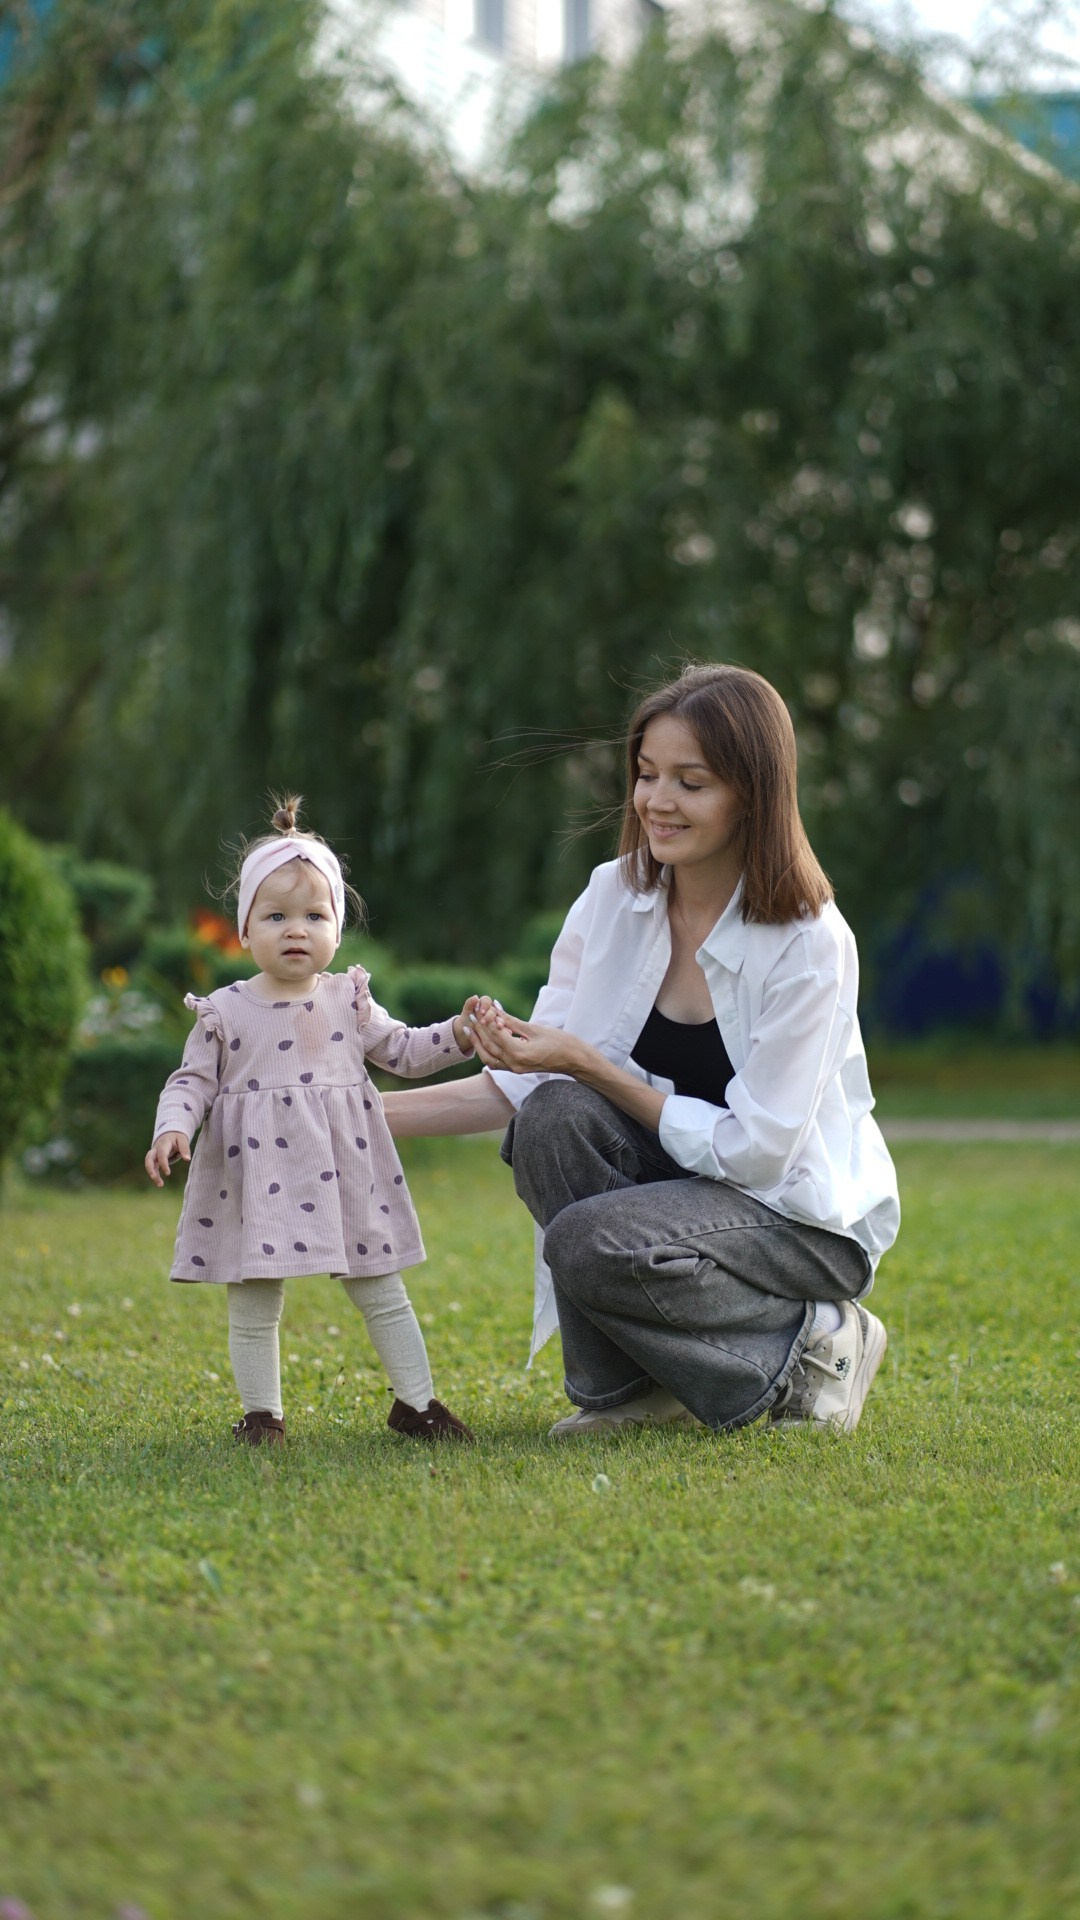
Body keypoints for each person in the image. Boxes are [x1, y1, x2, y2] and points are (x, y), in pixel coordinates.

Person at [384, 664, 900, 1437]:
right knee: (555, 1118)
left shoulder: (809, 944)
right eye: (647, 774)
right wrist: (340, 1113)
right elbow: (524, 1089)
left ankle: (819, 1337)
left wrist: (591, 1065)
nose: (657, 801)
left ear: (752, 794)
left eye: (691, 782)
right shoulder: (613, 897)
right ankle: (634, 1393)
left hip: (799, 1222)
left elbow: (760, 1155)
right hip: (684, 1195)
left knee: (588, 1240)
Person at [145, 797, 479, 1446]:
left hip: (346, 1165)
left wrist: (461, 1034)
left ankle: (417, 1402)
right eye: (275, 916)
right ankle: (261, 1414)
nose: (296, 929)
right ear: (244, 930)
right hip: (256, 1171)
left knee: (381, 1285)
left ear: (337, 928)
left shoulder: (348, 999)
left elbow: (405, 1051)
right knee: (254, 1295)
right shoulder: (224, 1010)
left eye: (313, 915)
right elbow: (191, 1081)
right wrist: (172, 1127)